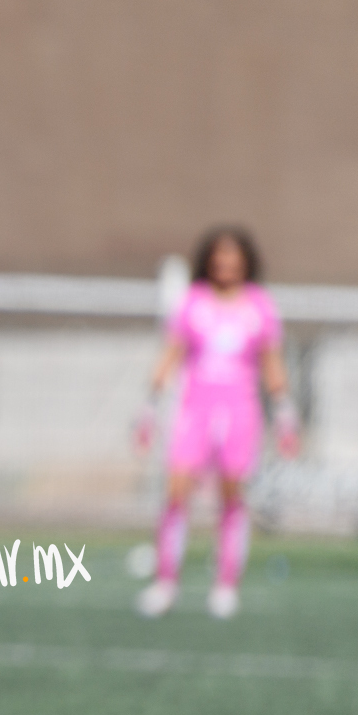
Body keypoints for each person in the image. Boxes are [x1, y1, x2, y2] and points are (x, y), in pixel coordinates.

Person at [133, 226, 297, 620]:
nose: (225, 264)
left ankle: (225, 585)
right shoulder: (193, 302)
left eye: (233, 256)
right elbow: (171, 355)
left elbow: (271, 363)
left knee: (232, 495)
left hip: (239, 411)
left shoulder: (259, 306)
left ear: (246, 261)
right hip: (195, 409)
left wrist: (286, 414)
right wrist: (149, 407)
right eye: (219, 256)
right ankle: (166, 581)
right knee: (177, 490)